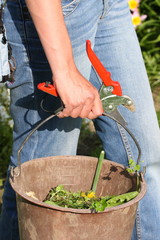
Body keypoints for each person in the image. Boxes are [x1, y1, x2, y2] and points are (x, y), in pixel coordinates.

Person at [0, 0, 160, 239]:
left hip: (110, 6)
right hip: (55, 12)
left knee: (144, 158)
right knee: (39, 180)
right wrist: (64, 70)